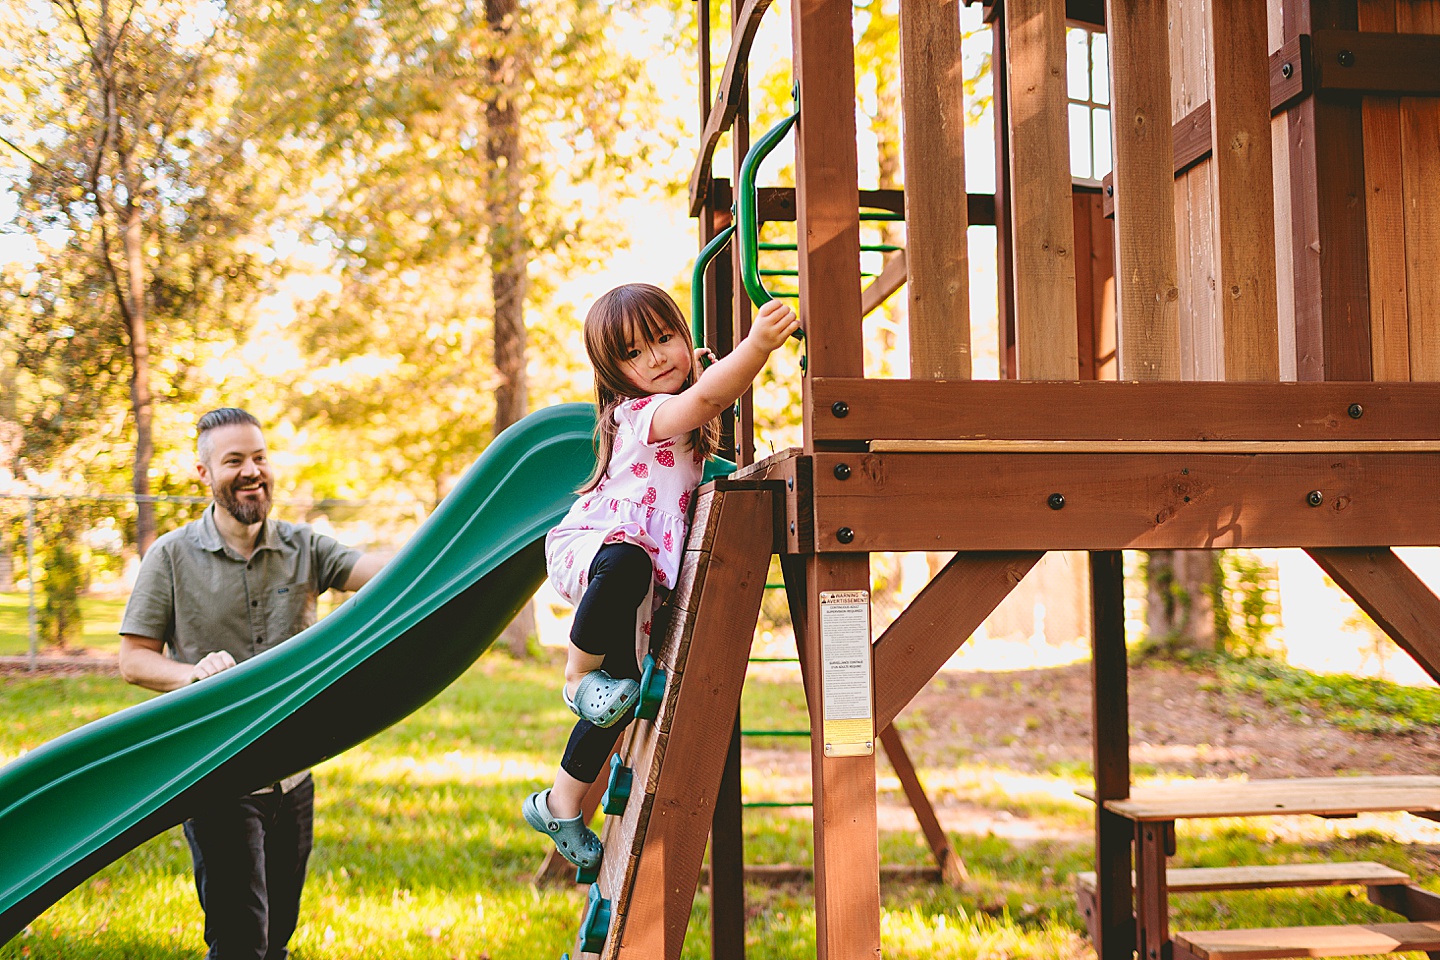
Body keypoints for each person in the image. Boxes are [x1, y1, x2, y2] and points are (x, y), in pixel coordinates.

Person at [525, 282, 800, 868]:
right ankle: (577, 676)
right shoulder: (639, 414)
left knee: (620, 699)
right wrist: (754, 348)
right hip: (598, 550)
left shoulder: (673, 408)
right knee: (626, 566)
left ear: (683, 335)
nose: (654, 358)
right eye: (633, 353)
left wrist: (702, 372)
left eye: (663, 338)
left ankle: (560, 803)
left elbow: (697, 410)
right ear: (615, 373)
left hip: (633, 578)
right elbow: (703, 403)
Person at [118, 407, 386, 960]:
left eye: (259, 458)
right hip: (219, 774)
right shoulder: (169, 556)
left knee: (278, 937)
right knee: (241, 941)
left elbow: (383, 574)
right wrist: (190, 674)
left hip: (293, 776)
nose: (251, 471)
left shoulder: (304, 546)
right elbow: (134, 660)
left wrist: (450, 541)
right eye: (233, 460)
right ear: (203, 473)